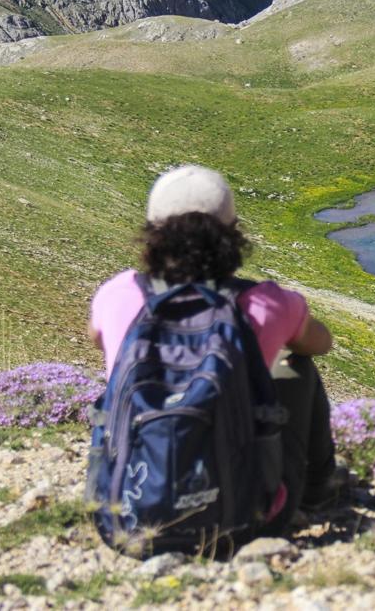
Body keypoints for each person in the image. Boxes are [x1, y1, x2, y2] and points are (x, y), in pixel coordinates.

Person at [88, 164, 337, 534]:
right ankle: (315, 494)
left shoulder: (118, 293)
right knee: (299, 367)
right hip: (245, 520)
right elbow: (321, 343)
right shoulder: (265, 303)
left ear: (153, 235)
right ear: (231, 234)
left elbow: (96, 337)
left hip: (126, 521)